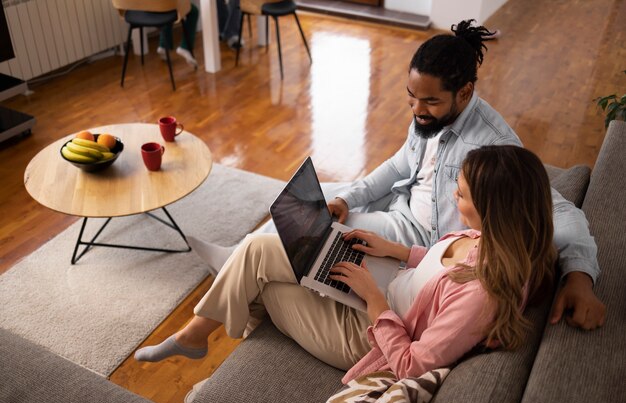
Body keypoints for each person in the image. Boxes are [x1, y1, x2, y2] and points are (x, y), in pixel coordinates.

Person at [189, 19, 606, 330]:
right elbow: (401, 164)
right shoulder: (428, 119)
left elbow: (560, 211)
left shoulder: (493, 151)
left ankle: (235, 268)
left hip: (423, 241)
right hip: (401, 209)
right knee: (304, 206)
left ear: (464, 93)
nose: (417, 111)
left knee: (300, 234)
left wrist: (581, 276)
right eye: (410, 98)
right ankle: (239, 260)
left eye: (429, 101)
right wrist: (348, 199)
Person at [135, 145, 557, 384]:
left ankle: (215, 362)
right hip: (388, 288)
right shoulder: (493, 240)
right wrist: (390, 250)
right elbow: (436, 269)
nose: (453, 200)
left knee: (264, 281)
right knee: (259, 250)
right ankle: (196, 334)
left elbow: (411, 365)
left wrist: (374, 298)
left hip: (373, 336)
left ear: (495, 208)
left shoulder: (484, 294)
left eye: (461, 196)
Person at [157, 1, 199, 68]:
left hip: (146, 10)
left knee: (166, 9)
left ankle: (163, 45)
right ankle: (185, 47)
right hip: (166, 6)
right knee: (193, 11)